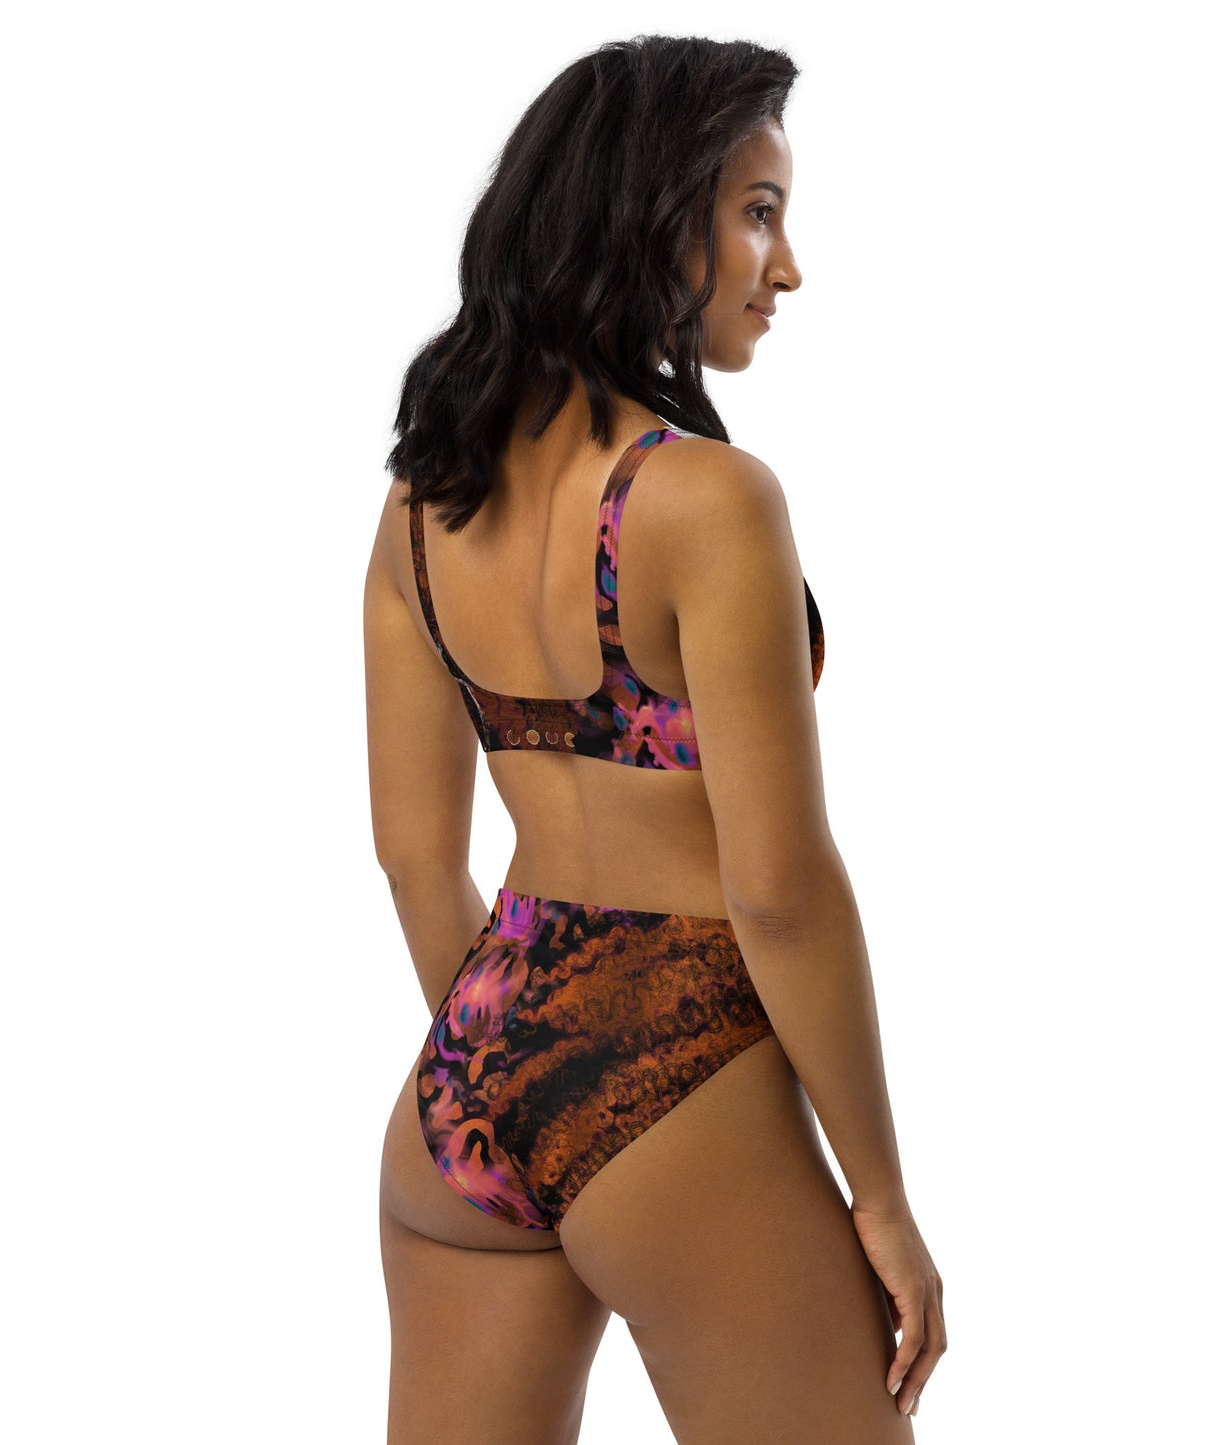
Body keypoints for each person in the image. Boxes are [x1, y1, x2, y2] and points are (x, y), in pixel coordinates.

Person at [364, 34, 945, 1443]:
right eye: (757, 212)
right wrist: (878, 1195)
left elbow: (412, 857)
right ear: (652, 218)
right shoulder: (707, 499)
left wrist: (528, 1074)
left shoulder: (423, 506)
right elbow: (780, 890)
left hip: (468, 1081)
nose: (785, 266)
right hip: (679, 1067)